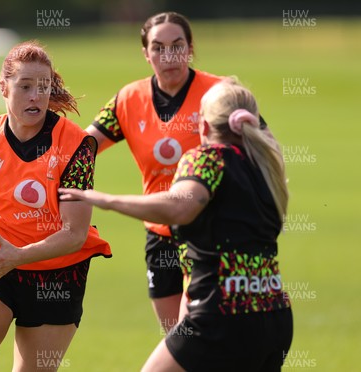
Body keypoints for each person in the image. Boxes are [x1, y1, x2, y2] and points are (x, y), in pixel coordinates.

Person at [60, 79, 293, 371]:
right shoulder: (267, 166)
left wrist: (106, 200)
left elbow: (180, 206)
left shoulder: (206, 159)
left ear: (204, 127)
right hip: (274, 315)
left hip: (220, 315)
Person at [86, 11, 271, 332]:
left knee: (201, 338)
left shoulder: (221, 93)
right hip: (160, 235)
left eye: (177, 45)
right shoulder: (128, 99)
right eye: (158, 47)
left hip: (212, 235)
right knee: (177, 339)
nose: (168, 56)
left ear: (191, 48)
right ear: (146, 54)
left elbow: (263, 147)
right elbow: (81, 149)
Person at [0, 41, 111, 372]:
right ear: (3, 87)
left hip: (57, 276)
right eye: (25, 86)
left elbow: (75, 233)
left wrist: (16, 255)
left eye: (42, 87)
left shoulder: (76, 145)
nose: (35, 96)